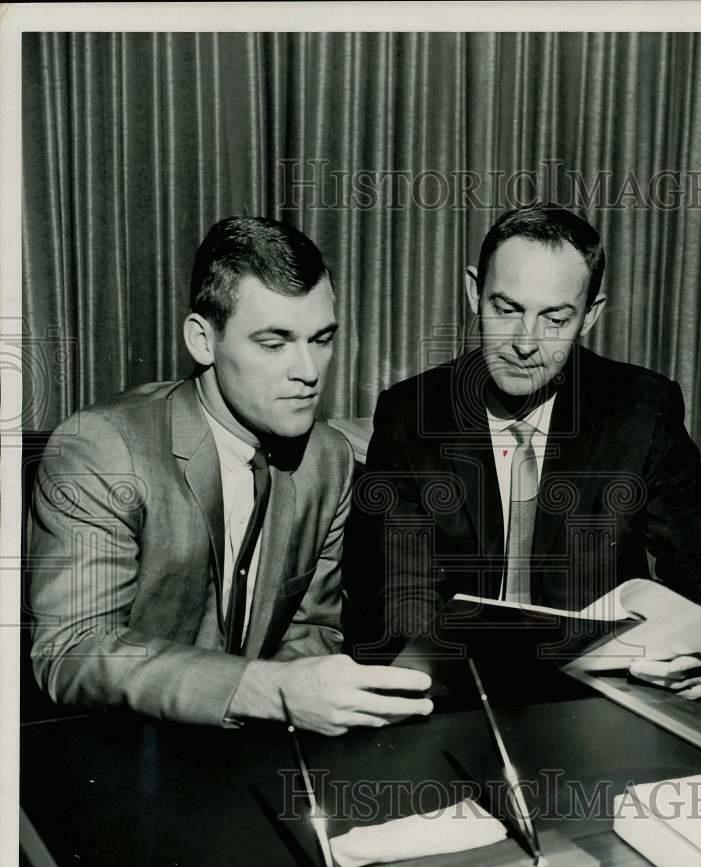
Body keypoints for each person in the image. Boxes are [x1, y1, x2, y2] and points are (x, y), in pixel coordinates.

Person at [29, 216, 433, 733]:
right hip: (117, 753)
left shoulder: (328, 460)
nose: (308, 371)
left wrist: (312, 697)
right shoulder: (103, 448)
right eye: (274, 342)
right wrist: (270, 692)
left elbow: (309, 629)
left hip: (254, 753)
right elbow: (73, 649)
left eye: (322, 339)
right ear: (203, 341)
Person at [346, 204, 701, 699]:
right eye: (507, 309)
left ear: (590, 315)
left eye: (555, 318)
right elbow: (390, 588)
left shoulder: (641, 409)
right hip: (454, 693)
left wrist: (691, 651)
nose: (525, 342)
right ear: (474, 291)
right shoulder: (409, 413)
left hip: (600, 695)